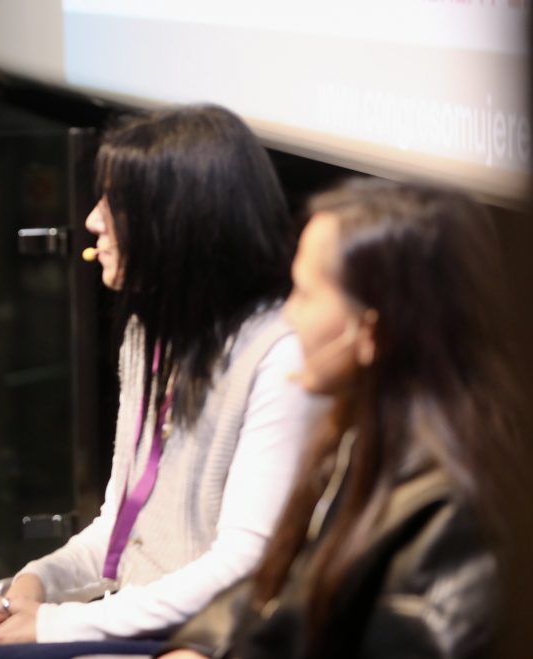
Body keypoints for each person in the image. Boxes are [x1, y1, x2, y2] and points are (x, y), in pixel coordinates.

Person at [0, 105, 324, 659]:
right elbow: (119, 529)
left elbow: (243, 565)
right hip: (131, 622)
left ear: (180, 221)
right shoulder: (149, 334)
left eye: (114, 204)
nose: (93, 221)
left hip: (202, 640)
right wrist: (38, 582)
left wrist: (55, 625)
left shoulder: (277, 355)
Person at [160, 178, 525, 658]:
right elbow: (282, 591)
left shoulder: (458, 514)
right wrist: (199, 646)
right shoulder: (364, 438)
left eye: (305, 294)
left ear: (370, 331)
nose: (289, 315)